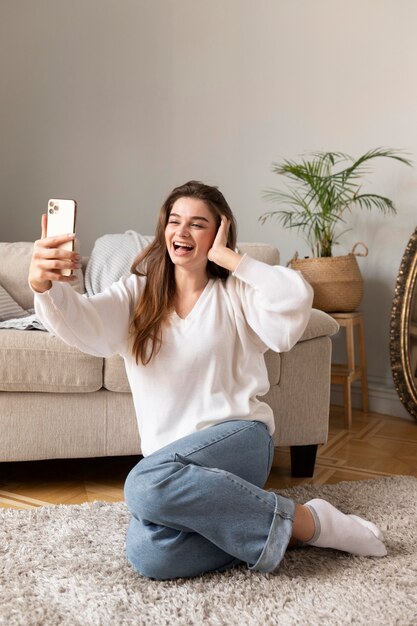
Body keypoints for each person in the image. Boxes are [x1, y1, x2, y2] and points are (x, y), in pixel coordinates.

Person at [29, 180, 387, 580]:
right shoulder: (137, 294)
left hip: (240, 440)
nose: (181, 232)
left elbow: (295, 298)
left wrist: (233, 260)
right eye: (175, 221)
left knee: (143, 486)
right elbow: (82, 323)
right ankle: (291, 528)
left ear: (219, 233)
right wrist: (43, 285)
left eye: (198, 224)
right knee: (150, 556)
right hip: (171, 465)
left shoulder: (236, 292)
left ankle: (310, 522)